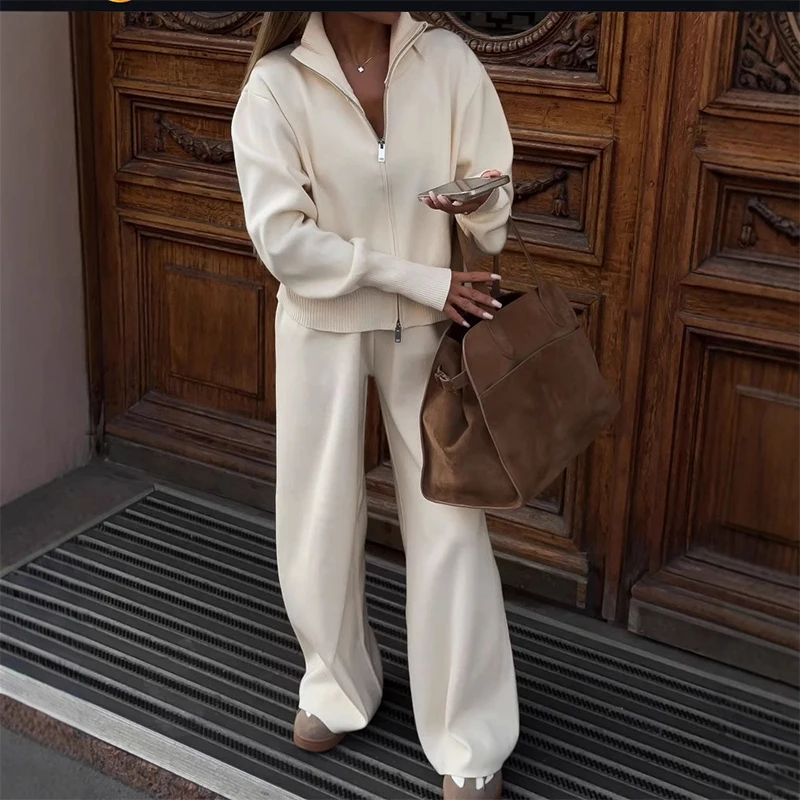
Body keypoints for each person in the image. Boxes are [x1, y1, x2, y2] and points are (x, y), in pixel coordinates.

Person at [232, 11, 519, 799]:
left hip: (429, 333)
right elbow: (283, 241)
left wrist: (482, 200)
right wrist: (416, 277)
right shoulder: (276, 86)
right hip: (323, 325)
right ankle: (336, 685)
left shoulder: (448, 61)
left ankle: (469, 731)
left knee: (452, 522)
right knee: (318, 518)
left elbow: (493, 195)